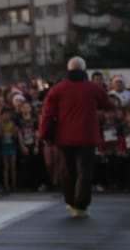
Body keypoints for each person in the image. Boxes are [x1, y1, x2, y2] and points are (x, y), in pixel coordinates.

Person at [40, 56, 112, 219]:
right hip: (87, 136)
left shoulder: (58, 89)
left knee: (67, 170)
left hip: (64, 137)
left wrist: (44, 133)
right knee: (84, 171)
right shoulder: (93, 88)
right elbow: (106, 103)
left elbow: (47, 112)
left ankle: (70, 201)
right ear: (84, 70)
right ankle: (81, 204)